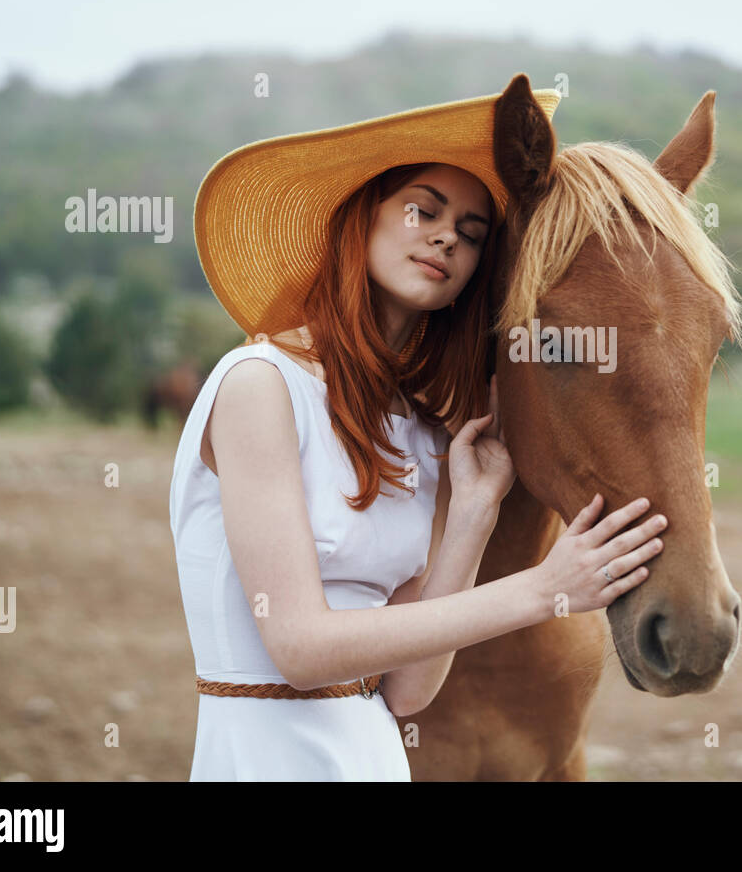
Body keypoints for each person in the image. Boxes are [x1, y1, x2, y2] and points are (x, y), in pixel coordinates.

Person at [170, 86, 668, 780]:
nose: (446, 237)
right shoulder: (258, 384)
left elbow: (408, 688)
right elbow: (299, 647)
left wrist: (471, 510)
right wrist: (543, 587)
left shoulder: (414, 431)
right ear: (360, 220)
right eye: (421, 209)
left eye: (470, 233)